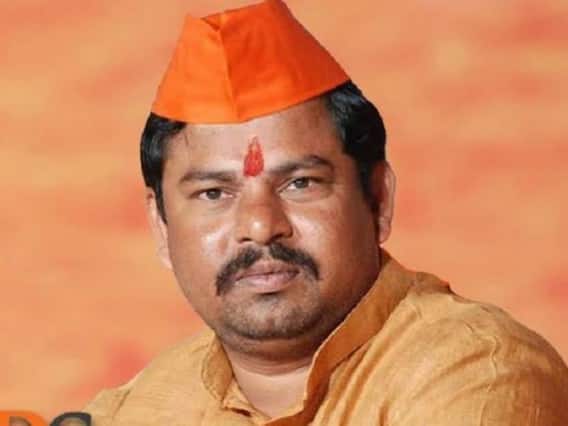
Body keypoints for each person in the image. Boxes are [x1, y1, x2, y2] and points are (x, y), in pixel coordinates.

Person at [84, 1, 568, 424]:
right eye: (213, 194)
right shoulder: (134, 410)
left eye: (300, 184)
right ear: (161, 227)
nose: (260, 226)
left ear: (378, 199)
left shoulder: (480, 374)